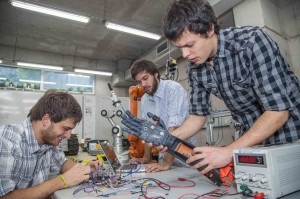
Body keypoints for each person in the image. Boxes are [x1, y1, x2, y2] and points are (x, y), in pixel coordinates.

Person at [159, 0, 300, 175]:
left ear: (210, 29)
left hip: (292, 137)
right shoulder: (195, 68)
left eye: (189, 45)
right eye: (180, 48)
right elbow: (197, 115)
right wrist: (170, 138)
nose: (185, 54)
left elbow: (278, 112)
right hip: (254, 141)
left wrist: (228, 151)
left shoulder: (251, 42)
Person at [0, 90, 102, 198]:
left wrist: (82, 169)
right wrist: (62, 181)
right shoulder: (7, 141)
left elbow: (63, 163)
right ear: (46, 120)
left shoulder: (49, 142)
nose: (68, 136)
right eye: (66, 128)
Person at [128, 59, 197, 172]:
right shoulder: (145, 99)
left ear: (155, 74)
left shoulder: (173, 89)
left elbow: (174, 130)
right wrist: (146, 158)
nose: (143, 84)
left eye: (145, 78)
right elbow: (148, 131)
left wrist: (166, 163)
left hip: (186, 160)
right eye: (139, 82)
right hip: (164, 160)